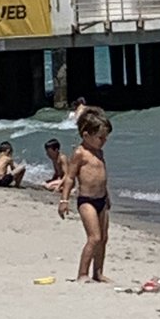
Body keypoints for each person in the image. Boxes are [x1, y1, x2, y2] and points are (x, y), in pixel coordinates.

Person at [58, 112, 112, 282]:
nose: (104, 141)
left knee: (103, 238)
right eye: (100, 138)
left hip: (102, 200)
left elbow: (101, 177)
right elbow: (69, 178)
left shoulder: (99, 152)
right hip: (87, 201)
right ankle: (82, 273)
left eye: (105, 138)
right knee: (94, 237)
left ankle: (98, 272)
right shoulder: (80, 153)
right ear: (86, 135)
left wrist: (107, 196)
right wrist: (64, 200)